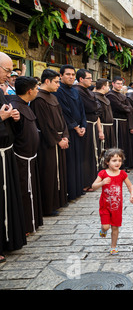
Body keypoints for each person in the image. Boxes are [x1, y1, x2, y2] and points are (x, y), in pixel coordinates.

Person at [31, 69, 69, 217]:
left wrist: (65, 135)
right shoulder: (39, 99)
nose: (58, 85)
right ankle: (48, 206)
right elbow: (45, 124)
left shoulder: (53, 97)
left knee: (59, 171)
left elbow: (62, 118)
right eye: (56, 82)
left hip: (60, 140)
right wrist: (58, 140)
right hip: (49, 143)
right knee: (49, 173)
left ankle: (58, 200)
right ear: (47, 81)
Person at [8, 76, 43, 234]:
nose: (37, 91)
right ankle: (24, 226)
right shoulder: (15, 107)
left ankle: (31, 223)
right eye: (36, 88)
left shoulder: (25, 105)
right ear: (30, 91)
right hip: (21, 158)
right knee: (23, 191)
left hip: (30, 157)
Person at [0, 52, 26, 263]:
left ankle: (9, 239)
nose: (9, 76)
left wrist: (13, 117)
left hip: (6, 151)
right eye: (7, 71)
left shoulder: (1, 90)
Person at [92, 148, 133, 255]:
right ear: (107, 162)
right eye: (114, 160)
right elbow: (93, 186)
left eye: (120, 160)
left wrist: (132, 195)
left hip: (117, 207)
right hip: (105, 206)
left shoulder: (122, 174)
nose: (118, 163)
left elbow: (130, 186)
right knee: (106, 226)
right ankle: (103, 230)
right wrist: (102, 183)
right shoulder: (103, 173)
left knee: (115, 227)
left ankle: (113, 246)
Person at [53, 65, 87, 202]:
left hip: (79, 131)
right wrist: (75, 127)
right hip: (69, 131)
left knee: (78, 161)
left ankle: (78, 189)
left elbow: (81, 110)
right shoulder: (58, 91)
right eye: (68, 74)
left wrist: (83, 125)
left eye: (73, 74)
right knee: (70, 162)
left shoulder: (75, 91)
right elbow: (64, 112)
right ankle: (70, 191)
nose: (71, 77)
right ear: (60, 76)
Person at [74, 69, 103, 191]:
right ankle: (86, 182)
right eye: (89, 78)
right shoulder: (78, 91)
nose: (91, 80)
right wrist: (95, 106)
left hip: (93, 125)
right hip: (86, 126)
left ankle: (93, 181)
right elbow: (91, 106)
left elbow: (98, 106)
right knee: (86, 155)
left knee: (92, 153)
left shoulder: (88, 91)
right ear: (81, 79)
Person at [106, 77, 133, 171]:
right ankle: (117, 166)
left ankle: (123, 165)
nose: (120, 85)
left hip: (124, 123)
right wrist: (126, 108)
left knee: (124, 144)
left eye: (121, 84)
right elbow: (119, 107)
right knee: (117, 144)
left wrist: (126, 108)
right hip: (116, 122)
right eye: (118, 83)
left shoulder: (123, 96)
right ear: (113, 84)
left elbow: (130, 108)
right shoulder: (110, 95)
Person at [94, 79, 116, 154]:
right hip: (102, 127)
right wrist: (100, 131)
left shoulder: (104, 97)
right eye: (107, 85)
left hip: (109, 127)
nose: (108, 88)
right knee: (103, 149)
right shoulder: (95, 97)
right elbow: (97, 116)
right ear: (103, 87)